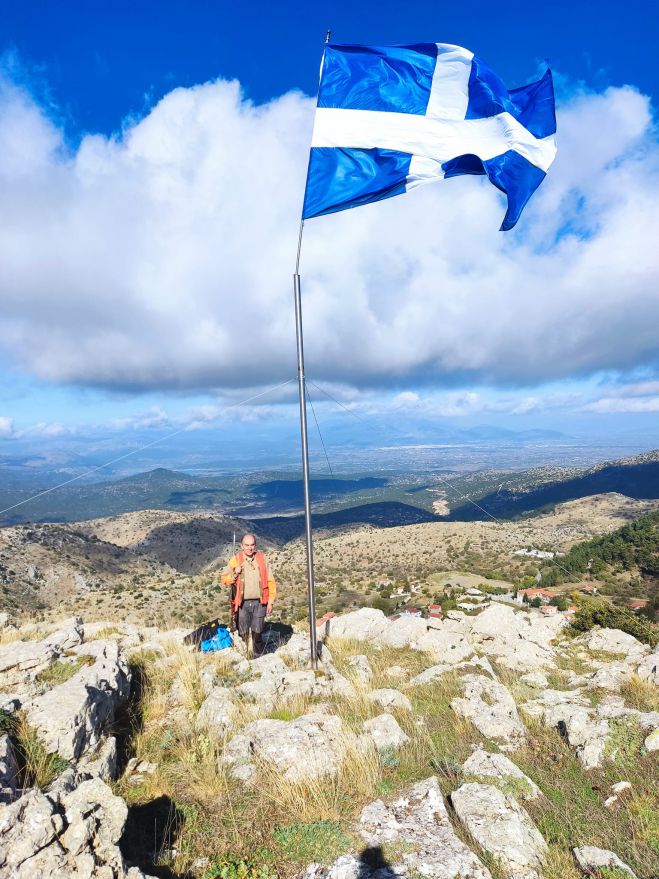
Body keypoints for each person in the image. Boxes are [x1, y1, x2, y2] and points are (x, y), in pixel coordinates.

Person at [221, 533, 276, 658]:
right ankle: (244, 656)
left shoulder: (262, 558)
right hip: (242, 603)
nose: (249, 548)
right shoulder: (236, 559)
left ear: (255, 545)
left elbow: (270, 580)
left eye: (252, 545)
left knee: (258, 632)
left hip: (260, 602)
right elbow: (224, 579)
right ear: (242, 546)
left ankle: (259, 657)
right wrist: (235, 573)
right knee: (243, 632)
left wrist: (271, 601)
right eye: (246, 545)